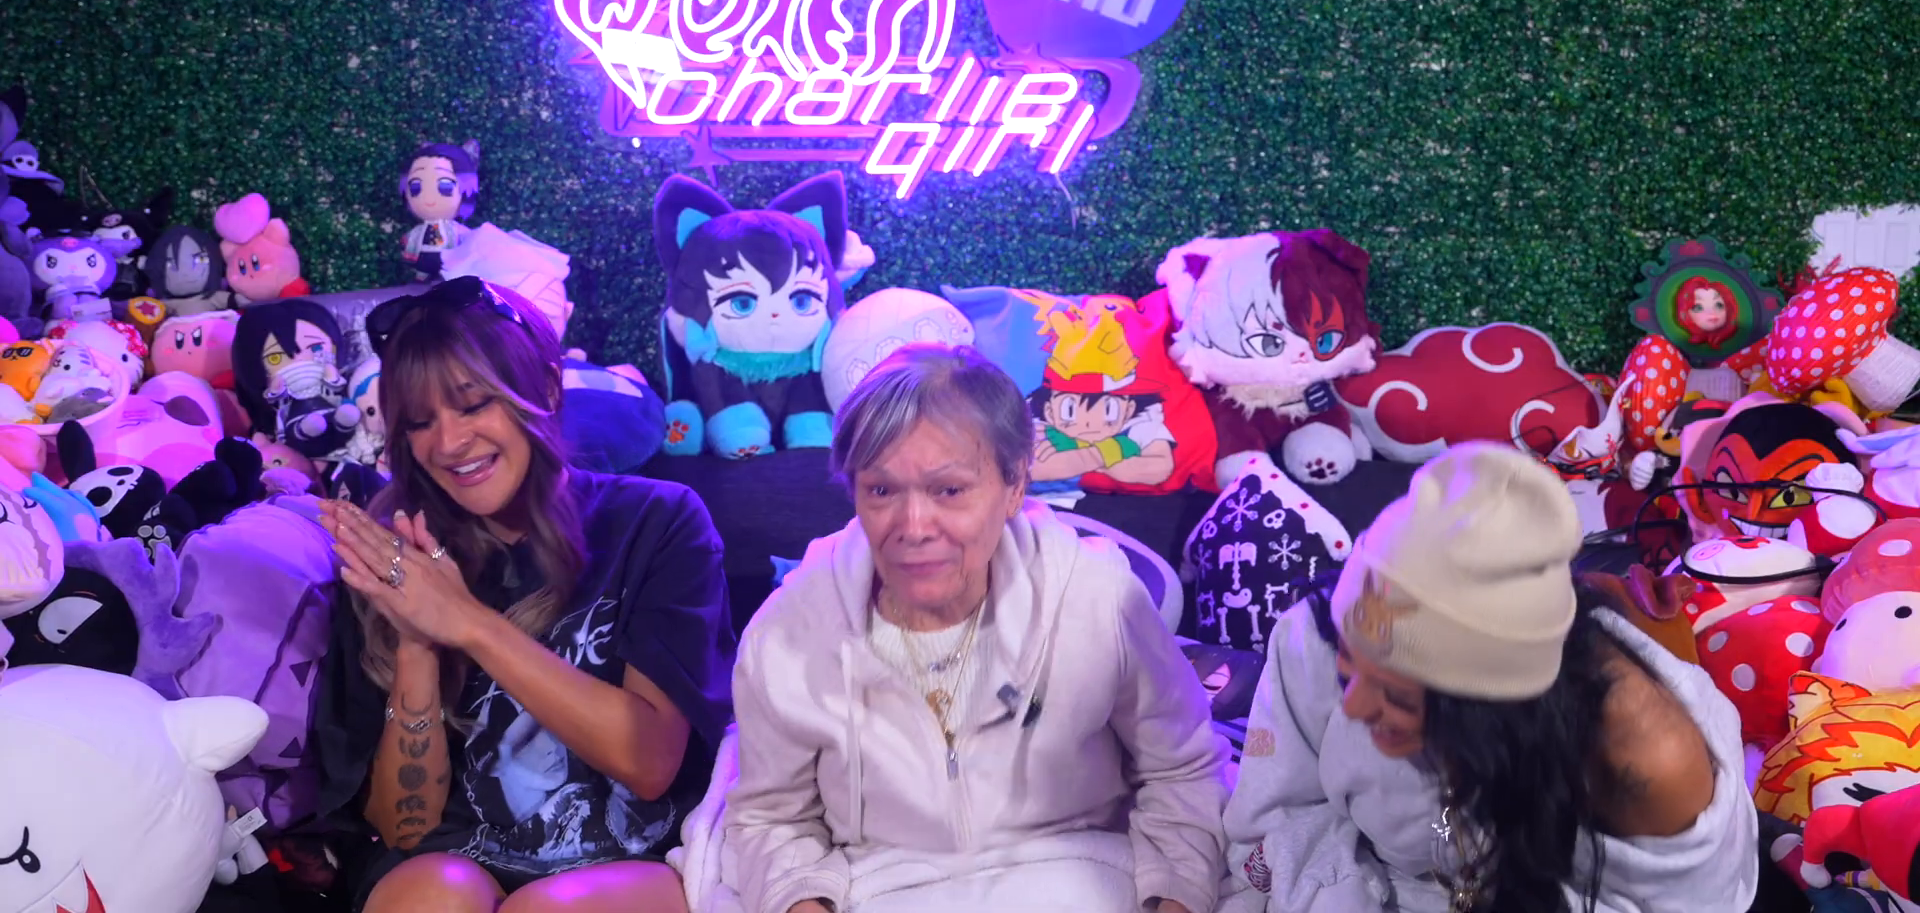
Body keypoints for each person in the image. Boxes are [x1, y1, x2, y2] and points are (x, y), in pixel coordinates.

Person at [719, 343, 1227, 913]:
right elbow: (772, 819)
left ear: (1015, 486)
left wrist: (1175, 900)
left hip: (1084, 878)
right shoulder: (789, 632)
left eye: (949, 490)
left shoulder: (1100, 598)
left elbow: (1184, 771)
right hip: (882, 888)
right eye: (881, 490)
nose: (914, 527)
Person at [312, 276, 735, 912]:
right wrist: (418, 643)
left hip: (635, 861)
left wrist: (469, 624)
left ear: (546, 389)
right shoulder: (396, 560)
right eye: (421, 422)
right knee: (428, 894)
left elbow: (648, 763)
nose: (448, 443)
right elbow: (405, 830)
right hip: (462, 859)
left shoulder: (656, 522)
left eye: (473, 404)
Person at [1220, 441, 1759, 913]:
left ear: (1496, 704)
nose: (1354, 709)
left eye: (1396, 696)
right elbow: (1276, 819)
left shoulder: (1645, 761)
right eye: (1347, 671)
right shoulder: (1327, 630)